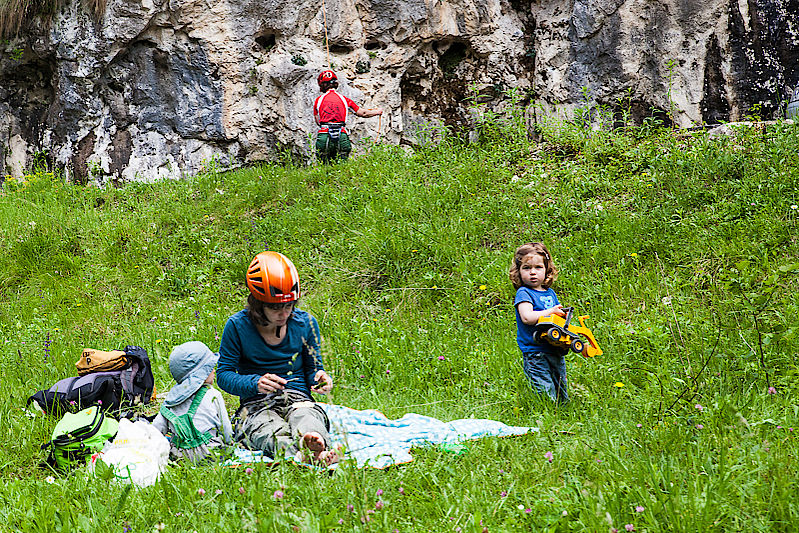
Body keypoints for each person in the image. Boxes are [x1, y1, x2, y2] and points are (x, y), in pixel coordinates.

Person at [216, 251, 339, 465]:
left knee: (307, 418)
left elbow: (313, 368)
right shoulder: (237, 326)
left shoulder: (305, 323)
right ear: (258, 303)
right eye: (275, 307)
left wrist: (319, 378)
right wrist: (255, 383)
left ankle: (315, 443)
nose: (284, 313)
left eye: (289, 306)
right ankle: (301, 453)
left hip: (298, 398)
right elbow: (224, 375)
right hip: (256, 404)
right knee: (267, 429)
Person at [152, 341, 233, 461]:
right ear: (201, 373)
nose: (214, 370)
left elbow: (156, 430)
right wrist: (229, 445)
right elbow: (226, 429)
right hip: (211, 454)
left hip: (180, 456)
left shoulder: (170, 400)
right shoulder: (213, 395)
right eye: (210, 367)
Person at [509, 242, 569, 403]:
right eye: (527, 268)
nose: (533, 272)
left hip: (554, 347)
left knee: (560, 385)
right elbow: (527, 317)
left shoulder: (550, 293)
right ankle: (546, 412)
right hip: (535, 351)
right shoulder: (524, 293)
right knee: (543, 387)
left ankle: (563, 412)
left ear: (547, 270)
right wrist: (550, 312)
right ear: (518, 272)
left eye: (538, 267)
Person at [313, 69, 383, 163]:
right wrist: (377, 112)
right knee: (342, 166)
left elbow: (317, 121)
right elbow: (363, 113)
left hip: (324, 135)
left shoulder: (318, 100)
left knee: (323, 164)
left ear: (322, 85)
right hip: (341, 135)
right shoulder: (344, 99)